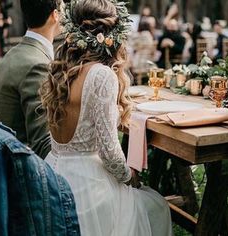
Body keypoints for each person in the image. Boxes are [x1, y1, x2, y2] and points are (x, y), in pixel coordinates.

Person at [40, 0, 173, 235]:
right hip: (87, 186)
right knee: (157, 206)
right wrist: (129, 177)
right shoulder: (101, 76)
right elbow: (109, 151)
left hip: (52, 172)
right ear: (114, 36)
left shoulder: (60, 68)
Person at [0, 0, 62, 158]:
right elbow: (42, 142)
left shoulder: (13, 53)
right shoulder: (37, 64)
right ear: (55, 16)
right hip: (17, 168)